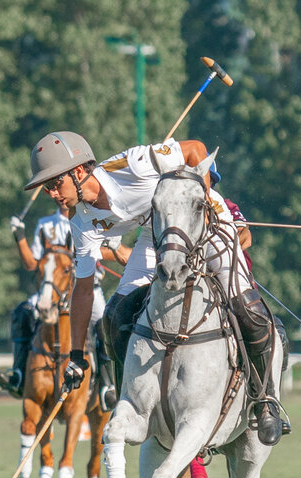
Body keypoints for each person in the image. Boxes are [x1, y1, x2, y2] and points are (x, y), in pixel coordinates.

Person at [24, 131, 287, 446]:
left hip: (207, 220)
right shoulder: (81, 224)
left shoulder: (132, 164)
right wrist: (77, 354)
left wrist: (199, 198)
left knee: (247, 306)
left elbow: (195, 150)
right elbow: (82, 291)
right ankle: (132, 402)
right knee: (114, 316)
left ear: (79, 171)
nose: (52, 194)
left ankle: (265, 399)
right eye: (46, 188)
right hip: (155, 234)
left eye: (54, 184)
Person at [0, 202, 130, 410]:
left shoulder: (92, 219)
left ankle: (107, 386)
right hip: (52, 291)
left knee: (104, 326)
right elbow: (32, 264)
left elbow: (114, 253)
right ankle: (19, 374)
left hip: (88, 290)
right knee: (21, 314)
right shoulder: (45, 224)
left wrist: (91, 249)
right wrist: (20, 238)